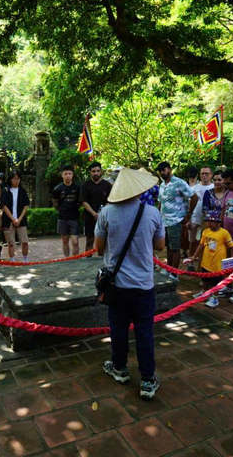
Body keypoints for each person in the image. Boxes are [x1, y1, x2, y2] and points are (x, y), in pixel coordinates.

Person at [95, 168, 165, 400]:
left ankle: (119, 368)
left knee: (118, 328)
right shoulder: (152, 212)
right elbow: (160, 246)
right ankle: (147, 380)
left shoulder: (106, 212)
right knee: (144, 331)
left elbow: (99, 247)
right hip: (144, 285)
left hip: (117, 285)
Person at [185, 211, 233, 307]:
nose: (208, 223)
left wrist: (232, 260)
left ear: (218, 222)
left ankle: (215, 298)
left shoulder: (224, 233)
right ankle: (205, 292)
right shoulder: (206, 232)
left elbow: (231, 246)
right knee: (205, 279)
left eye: (211, 221)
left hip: (217, 264)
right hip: (206, 262)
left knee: (217, 282)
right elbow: (201, 245)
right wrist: (194, 256)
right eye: (207, 221)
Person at [156, 161, 196, 277]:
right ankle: (169, 269)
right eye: (160, 171)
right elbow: (160, 202)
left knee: (175, 248)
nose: (162, 172)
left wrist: (188, 214)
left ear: (169, 169)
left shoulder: (179, 182)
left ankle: (174, 273)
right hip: (164, 221)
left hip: (176, 220)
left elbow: (194, 197)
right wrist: (158, 217)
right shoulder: (162, 185)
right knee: (168, 247)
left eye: (164, 170)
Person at [80, 161, 112, 255]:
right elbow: (83, 201)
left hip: (104, 217)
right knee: (89, 240)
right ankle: (88, 262)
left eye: (98, 171)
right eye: (93, 171)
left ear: (101, 172)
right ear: (90, 172)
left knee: (103, 241)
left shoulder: (107, 185)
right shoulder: (85, 185)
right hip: (90, 217)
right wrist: (94, 213)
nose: (96, 173)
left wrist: (102, 213)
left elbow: (110, 200)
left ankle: (102, 262)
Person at [52, 164, 81, 257]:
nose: (68, 175)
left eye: (70, 173)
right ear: (62, 175)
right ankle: (67, 259)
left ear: (72, 175)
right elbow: (55, 203)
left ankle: (75, 259)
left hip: (74, 217)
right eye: (66, 174)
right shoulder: (57, 189)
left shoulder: (77, 188)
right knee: (65, 241)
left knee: (75, 241)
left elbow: (80, 202)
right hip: (62, 218)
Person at [1, 171, 31, 262]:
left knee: (24, 241)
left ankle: (25, 260)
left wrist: (19, 219)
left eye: (18, 178)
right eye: (14, 178)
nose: (16, 180)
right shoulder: (6, 190)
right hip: (8, 220)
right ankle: (12, 260)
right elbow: (4, 206)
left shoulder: (22, 191)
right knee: (11, 243)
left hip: (21, 220)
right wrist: (13, 219)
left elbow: (26, 205)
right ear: (10, 179)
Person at [188, 166, 214, 262]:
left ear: (211, 175)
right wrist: (188, 219)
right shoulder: (194, 188)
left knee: (207, 242)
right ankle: (190, 263)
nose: (204, 175)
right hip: (195, 219)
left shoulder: (214, 188)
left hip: (209, 220)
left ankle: (204, 263)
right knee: (193, 242)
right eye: (202, 173)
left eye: (206, 173)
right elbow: (188, 204)